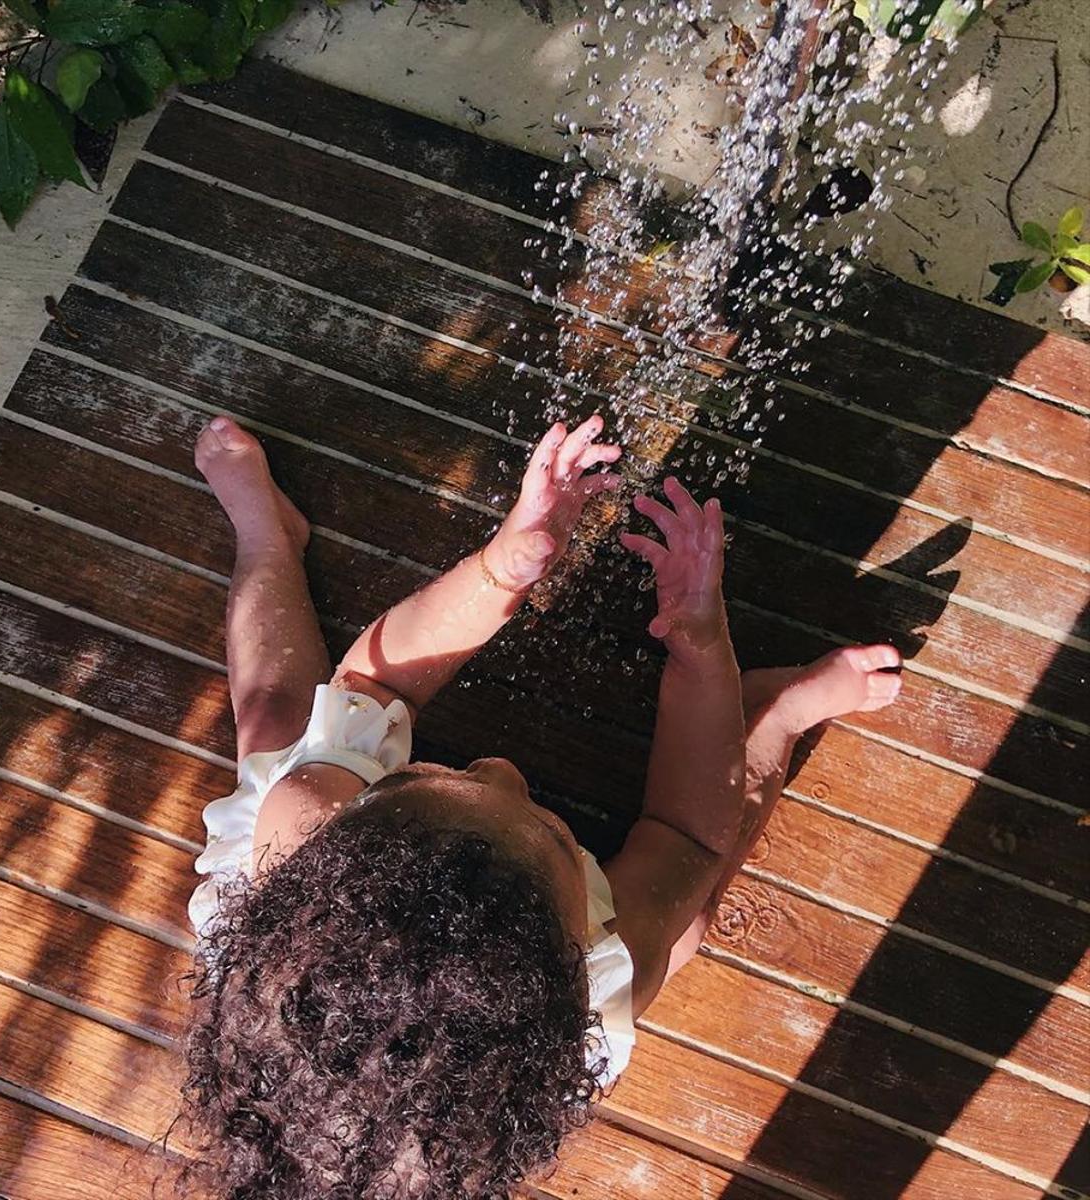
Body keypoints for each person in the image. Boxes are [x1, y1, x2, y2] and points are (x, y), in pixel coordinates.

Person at [179, 412, 902, 1199]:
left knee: (277, 707)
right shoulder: (585, 995)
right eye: (557, 836)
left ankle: (265, 537)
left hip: (293, 932)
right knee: (681, 915)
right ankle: (768, 715)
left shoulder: (301, 822)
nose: (509, 773)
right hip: (511, 1033)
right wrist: (702, 652)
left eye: (460, 781)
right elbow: (688, 835)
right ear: (571, 952)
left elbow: (377, 685)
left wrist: (503, 568)